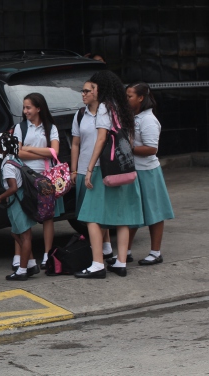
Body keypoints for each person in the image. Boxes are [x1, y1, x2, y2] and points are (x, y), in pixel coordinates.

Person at [75, 71, 144, 279]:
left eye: (94, 86)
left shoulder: (104, 107)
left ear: (101, 87)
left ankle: (97, 264)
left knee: (91, 216)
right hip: (124, 169)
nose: (91, 89)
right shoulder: (121, 107)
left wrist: (89, 168)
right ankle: (121, 262)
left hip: (104, 170)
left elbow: (101, 139)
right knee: (122, 217)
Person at [11, 93, 65, 270]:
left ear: (38, 108)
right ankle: (19, 255)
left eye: (29, 107)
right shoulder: (20, 128)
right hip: (26, 177)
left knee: (48, 216)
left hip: (46, 178)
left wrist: (30, 148)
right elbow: (18, 153)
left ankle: (47, 254)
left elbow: (54, 152)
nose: (25, 111)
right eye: (24, 107)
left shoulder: (50, 127)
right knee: (23, 214)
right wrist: (44, 150)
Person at [124, 82, 174, 266]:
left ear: (140, 98)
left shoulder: (148, 120)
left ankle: (155, 253)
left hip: (148, 172)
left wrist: (128, 148)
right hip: (134, 171)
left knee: (154, 213)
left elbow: (152, 149)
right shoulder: (132, 116)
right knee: (132, 212)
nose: (126, 99)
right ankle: (125, 251)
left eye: (129, 96)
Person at [71, 81, 114, 261]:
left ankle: (100, 251)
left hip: (100, 170)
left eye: (87, 91)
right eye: (82, 91)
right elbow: (75, 143)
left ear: (98, 92)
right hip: (83, 169)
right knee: (84, 213)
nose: (83, 94)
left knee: (97, 213)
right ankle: (106, 248)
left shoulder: (108, 113)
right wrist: (74, 170)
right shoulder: (80, 114)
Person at [0, 132, 40, 281]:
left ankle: (22, 270)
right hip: (21, 200)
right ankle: (31, 263)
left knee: (25, 237)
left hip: (17, 201)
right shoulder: (15, 159)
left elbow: (12, 187)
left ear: (2, 149)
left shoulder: (7, 165)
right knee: (16, 233)